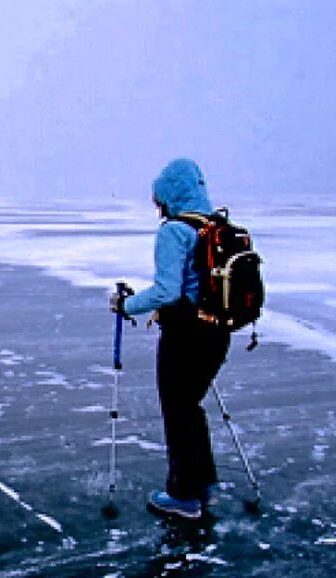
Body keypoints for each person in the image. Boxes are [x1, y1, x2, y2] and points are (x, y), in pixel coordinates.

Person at [110, 158, 230, 520]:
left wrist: (126, 305)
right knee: (191, 409)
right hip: (217, 333)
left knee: (178, 413)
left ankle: (183, 496)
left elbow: (166, 290)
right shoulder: (215, 226)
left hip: (186, 336)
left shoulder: (175, 231)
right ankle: (205, 486)